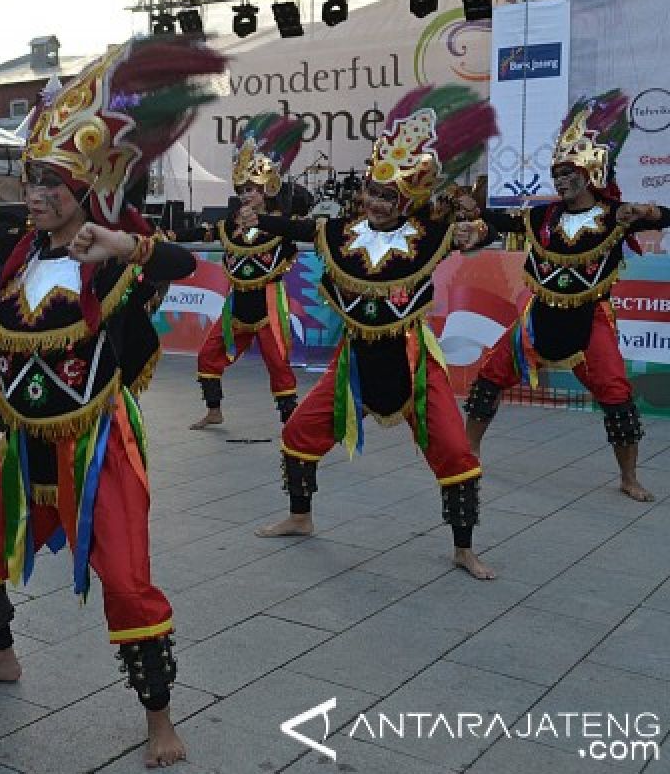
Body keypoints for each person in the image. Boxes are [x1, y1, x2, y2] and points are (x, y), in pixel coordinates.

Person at [0, 34, 224, 769]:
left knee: (125, 582)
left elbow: (186, 261)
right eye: (33, 177)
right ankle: (1, 657)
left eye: (53, 181)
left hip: (97, 451)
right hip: (24, 448)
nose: (38, 191)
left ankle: (160, 722)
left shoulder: (111, 256)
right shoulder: (11, 252)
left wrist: (128, 249)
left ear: (86, 188)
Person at [250, 85, 500, 580]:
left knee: (454, 452)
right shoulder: (345, 233)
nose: (377, 203)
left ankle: (463, 548)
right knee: (299, 432)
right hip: (355, 366)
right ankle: (301, 517)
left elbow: (478, 230)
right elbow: (306, 232)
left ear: (406, 197)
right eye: (373, 192)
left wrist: (479, 230)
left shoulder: (428, 235)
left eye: (389, 196)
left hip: (413, 366)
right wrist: (266, 221)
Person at [464, 91, 670, 502]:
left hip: (588, 320)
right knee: (488, 378)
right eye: (556, 173)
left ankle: (628, 477)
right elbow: (502, 220)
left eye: (567, 172)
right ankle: (468, 453)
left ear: (590, 173)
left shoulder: (616, 214)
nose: (559, 180)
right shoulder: (544, 215)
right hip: (537, 317)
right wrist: (476, 210)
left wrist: (648, 213)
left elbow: (667, 216)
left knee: (617, 394)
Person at [173, 113, 308, 430]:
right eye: (243, 189)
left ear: (266, 191)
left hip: (268, 304)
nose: (246, 194)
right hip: (236, 305)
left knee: (277, 363)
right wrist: (167, 238)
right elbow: (202, 232)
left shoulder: (281, 227)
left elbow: (304, 233)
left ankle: (291, 420)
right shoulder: (230, 228)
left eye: (253, 189)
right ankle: (214, 410)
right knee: (208, 354)